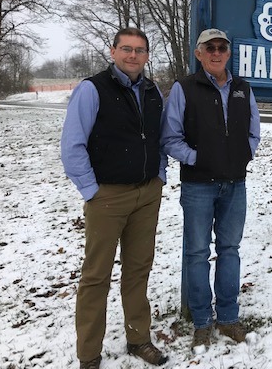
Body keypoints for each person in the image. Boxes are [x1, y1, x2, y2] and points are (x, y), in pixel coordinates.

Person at [61, 27, 169, 368]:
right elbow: (72, 146)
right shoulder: (92, 89)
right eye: (126, 49)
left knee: (138, 270)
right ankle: (89, 354)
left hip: (147, 194)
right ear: (113, 51)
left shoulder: (153, 91)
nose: (132, 55)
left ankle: (139, 338)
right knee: (96, 276)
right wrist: (91, 190)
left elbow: (159, 139)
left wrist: (160, 176)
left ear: (147, 55)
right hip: (107, 196)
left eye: (139, 50)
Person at [161, 28, 261, 352]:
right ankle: (202, 322)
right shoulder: (184, 89)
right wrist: (197, 159)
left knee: (230, 251)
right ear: (199, 53)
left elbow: (253, 133)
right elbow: (170, 137)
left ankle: (228, 318)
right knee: (197, 253)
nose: (216, 52)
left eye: (222, 47)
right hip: (198, 187)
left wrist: (243, 155)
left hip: (235, 185)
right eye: (210, 47)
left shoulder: (243, 89)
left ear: (228, 53)